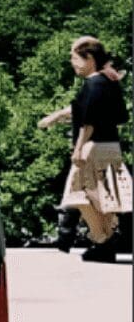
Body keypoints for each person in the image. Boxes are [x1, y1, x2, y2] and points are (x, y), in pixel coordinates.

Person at [53, 37, 130, 262]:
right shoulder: (109, 82)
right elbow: (119, 116)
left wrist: (78, 149)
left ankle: (102, 240)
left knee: (79, 195)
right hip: (111, 147)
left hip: (92, 147)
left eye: (75, 58)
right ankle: (104, 242)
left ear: (89, 59)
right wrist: (57, 117)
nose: (72, 63)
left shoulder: (93, 84)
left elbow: (89, 123)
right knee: (103, 198)